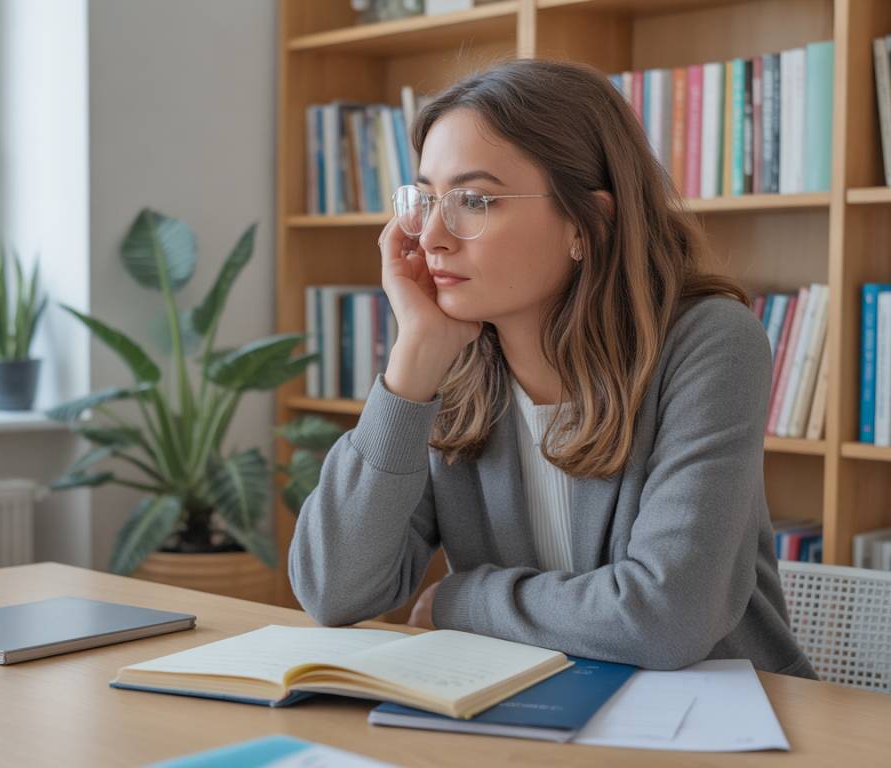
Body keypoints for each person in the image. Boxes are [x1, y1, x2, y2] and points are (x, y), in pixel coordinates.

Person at [288, 58, 816, 678]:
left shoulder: (709, 343)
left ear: (588, 223)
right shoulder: (448, 361)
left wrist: (459, 598)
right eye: (426, 199)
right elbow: (333, 590)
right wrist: (409, 367)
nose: (431, 235)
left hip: (716, 722)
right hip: (522, 711)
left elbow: (665, 618)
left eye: (473, 199)